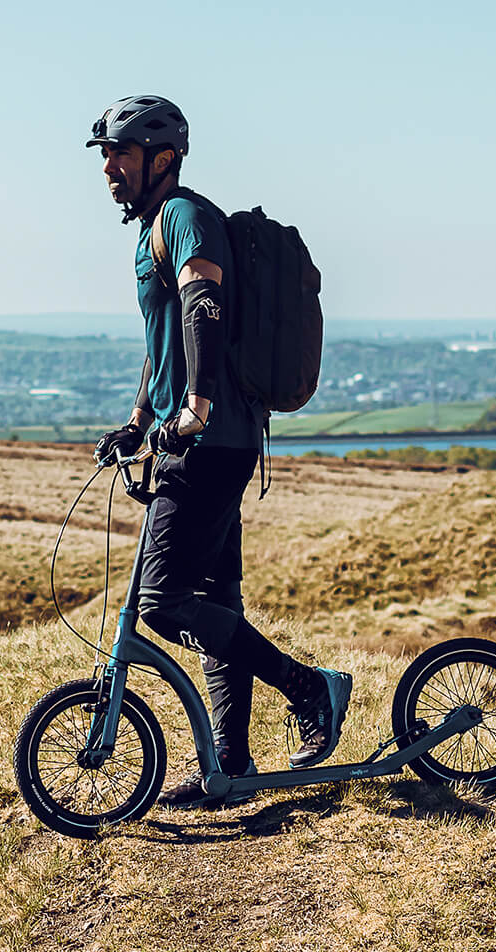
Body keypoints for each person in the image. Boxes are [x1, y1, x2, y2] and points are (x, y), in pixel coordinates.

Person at [86, 95, 351, 809]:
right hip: (199, 435)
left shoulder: (182, 216)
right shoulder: (150, 230)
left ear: (161, 159)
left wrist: (194, 408)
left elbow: (203, 307)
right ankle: (225, 768)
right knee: (212, 599)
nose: (109, 167)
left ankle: (307, 688)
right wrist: (139, 419)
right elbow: (162, 339)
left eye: (122, 154)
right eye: (105, 155)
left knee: (162, 601)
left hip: (211, 438)